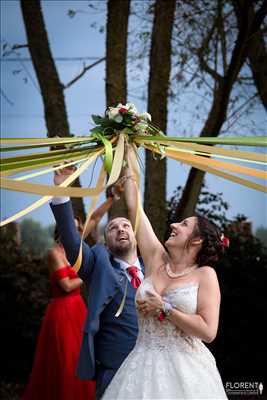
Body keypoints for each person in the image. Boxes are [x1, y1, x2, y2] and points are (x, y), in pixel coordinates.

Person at [101, 163, 228, 399]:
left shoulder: (205, 275)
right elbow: (134, 207)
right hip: (140, 365)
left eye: (184, 224)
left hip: (187, 371)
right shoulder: (155, 259)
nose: (173, 225)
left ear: (197, 240)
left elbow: (208, 331)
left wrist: (165, 308)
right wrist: (128, 141)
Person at [50, 165, 145, 400]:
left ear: (136, 235)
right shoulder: (99, 262)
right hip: (115, 369)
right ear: (106, 241)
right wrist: (62, 188)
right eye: (113, 227)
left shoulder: (155, 267)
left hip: (156, 367)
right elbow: (72, 243)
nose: (121, 229)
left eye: (126, 226)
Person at [22, 217, 95, 400]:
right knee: (65, 359)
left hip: (78, 308)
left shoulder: (76, 250)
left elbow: (94, 219)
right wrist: (89, 273)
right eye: (72, 228)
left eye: (78, 229)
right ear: (61, 230)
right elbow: (67, 285)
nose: (76, 231)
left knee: (80, 356)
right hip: (62, 311)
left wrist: (111, 200)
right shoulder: (54, 253)